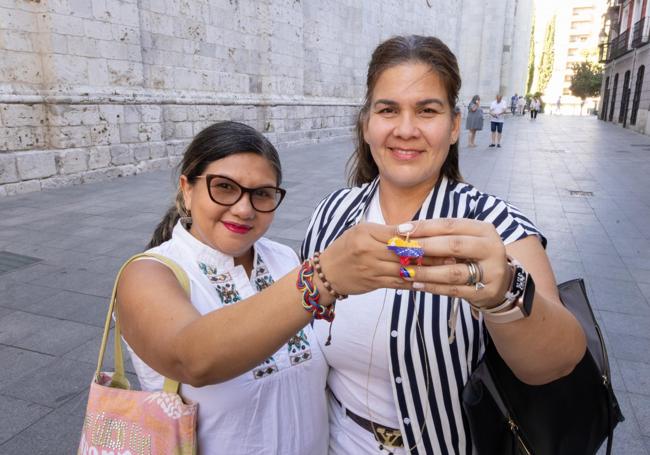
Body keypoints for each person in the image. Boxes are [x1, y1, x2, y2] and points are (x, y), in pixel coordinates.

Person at [301, 35, 586, 454]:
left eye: (427, 110)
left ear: (454, 126)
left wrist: (505, 290)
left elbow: (557, 363)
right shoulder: (331, 214)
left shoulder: (496, 226)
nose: (405, 129)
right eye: (387, 109)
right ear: (367, 124)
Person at [115, 121, 413, 454]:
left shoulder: (284, 259)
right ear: (187, 189)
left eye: (261, 194)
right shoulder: (147, 273)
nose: (244, 209)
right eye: (224, 187)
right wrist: (324, 275)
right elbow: (192, 359)